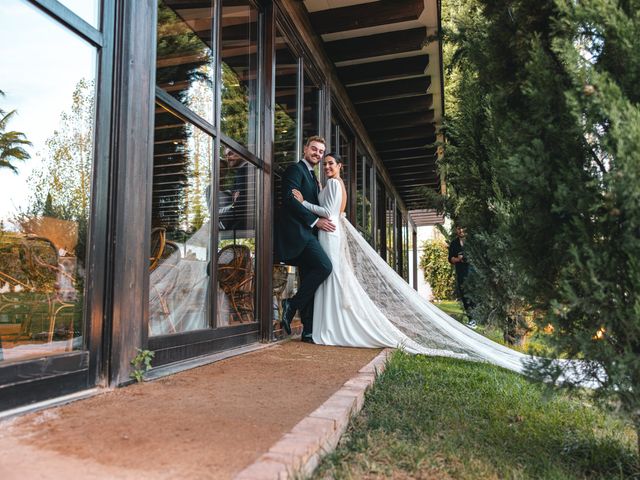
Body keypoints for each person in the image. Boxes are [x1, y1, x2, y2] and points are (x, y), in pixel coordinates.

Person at [291, 154, 601, 388]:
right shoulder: (335, 183)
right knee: (335, 280)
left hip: (329, 233)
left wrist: (304, 203)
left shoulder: (333, 183)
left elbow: (329, 213)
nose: (328, 165)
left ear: (340, 167)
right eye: (325, 161)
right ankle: (328, 326)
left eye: (331, 162)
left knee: (334, 278)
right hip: (332, 234)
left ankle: (330, 328)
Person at [274, 136, 335, 343]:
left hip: (309, 235)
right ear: (305, 149)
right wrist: (315, 222)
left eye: (321, 152)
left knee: (310, 277)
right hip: (298, 233)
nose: (317, 154)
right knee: (324, 267)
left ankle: (307, 331)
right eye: (314, 149)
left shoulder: (313, 178)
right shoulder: (295, 170)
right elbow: (290, 201)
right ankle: (291, 304)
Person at [448, 225, 477, 329]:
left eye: (463, 228)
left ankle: (475, 318)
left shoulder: (472, 242)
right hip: (461, 272)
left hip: (473, 273)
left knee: (474, 295)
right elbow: (450, 259)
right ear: (456, 230)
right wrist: (458, 259)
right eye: (458, 228)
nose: (460, 231)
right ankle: (471, 319)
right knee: (464, 295)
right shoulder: (454, 243)